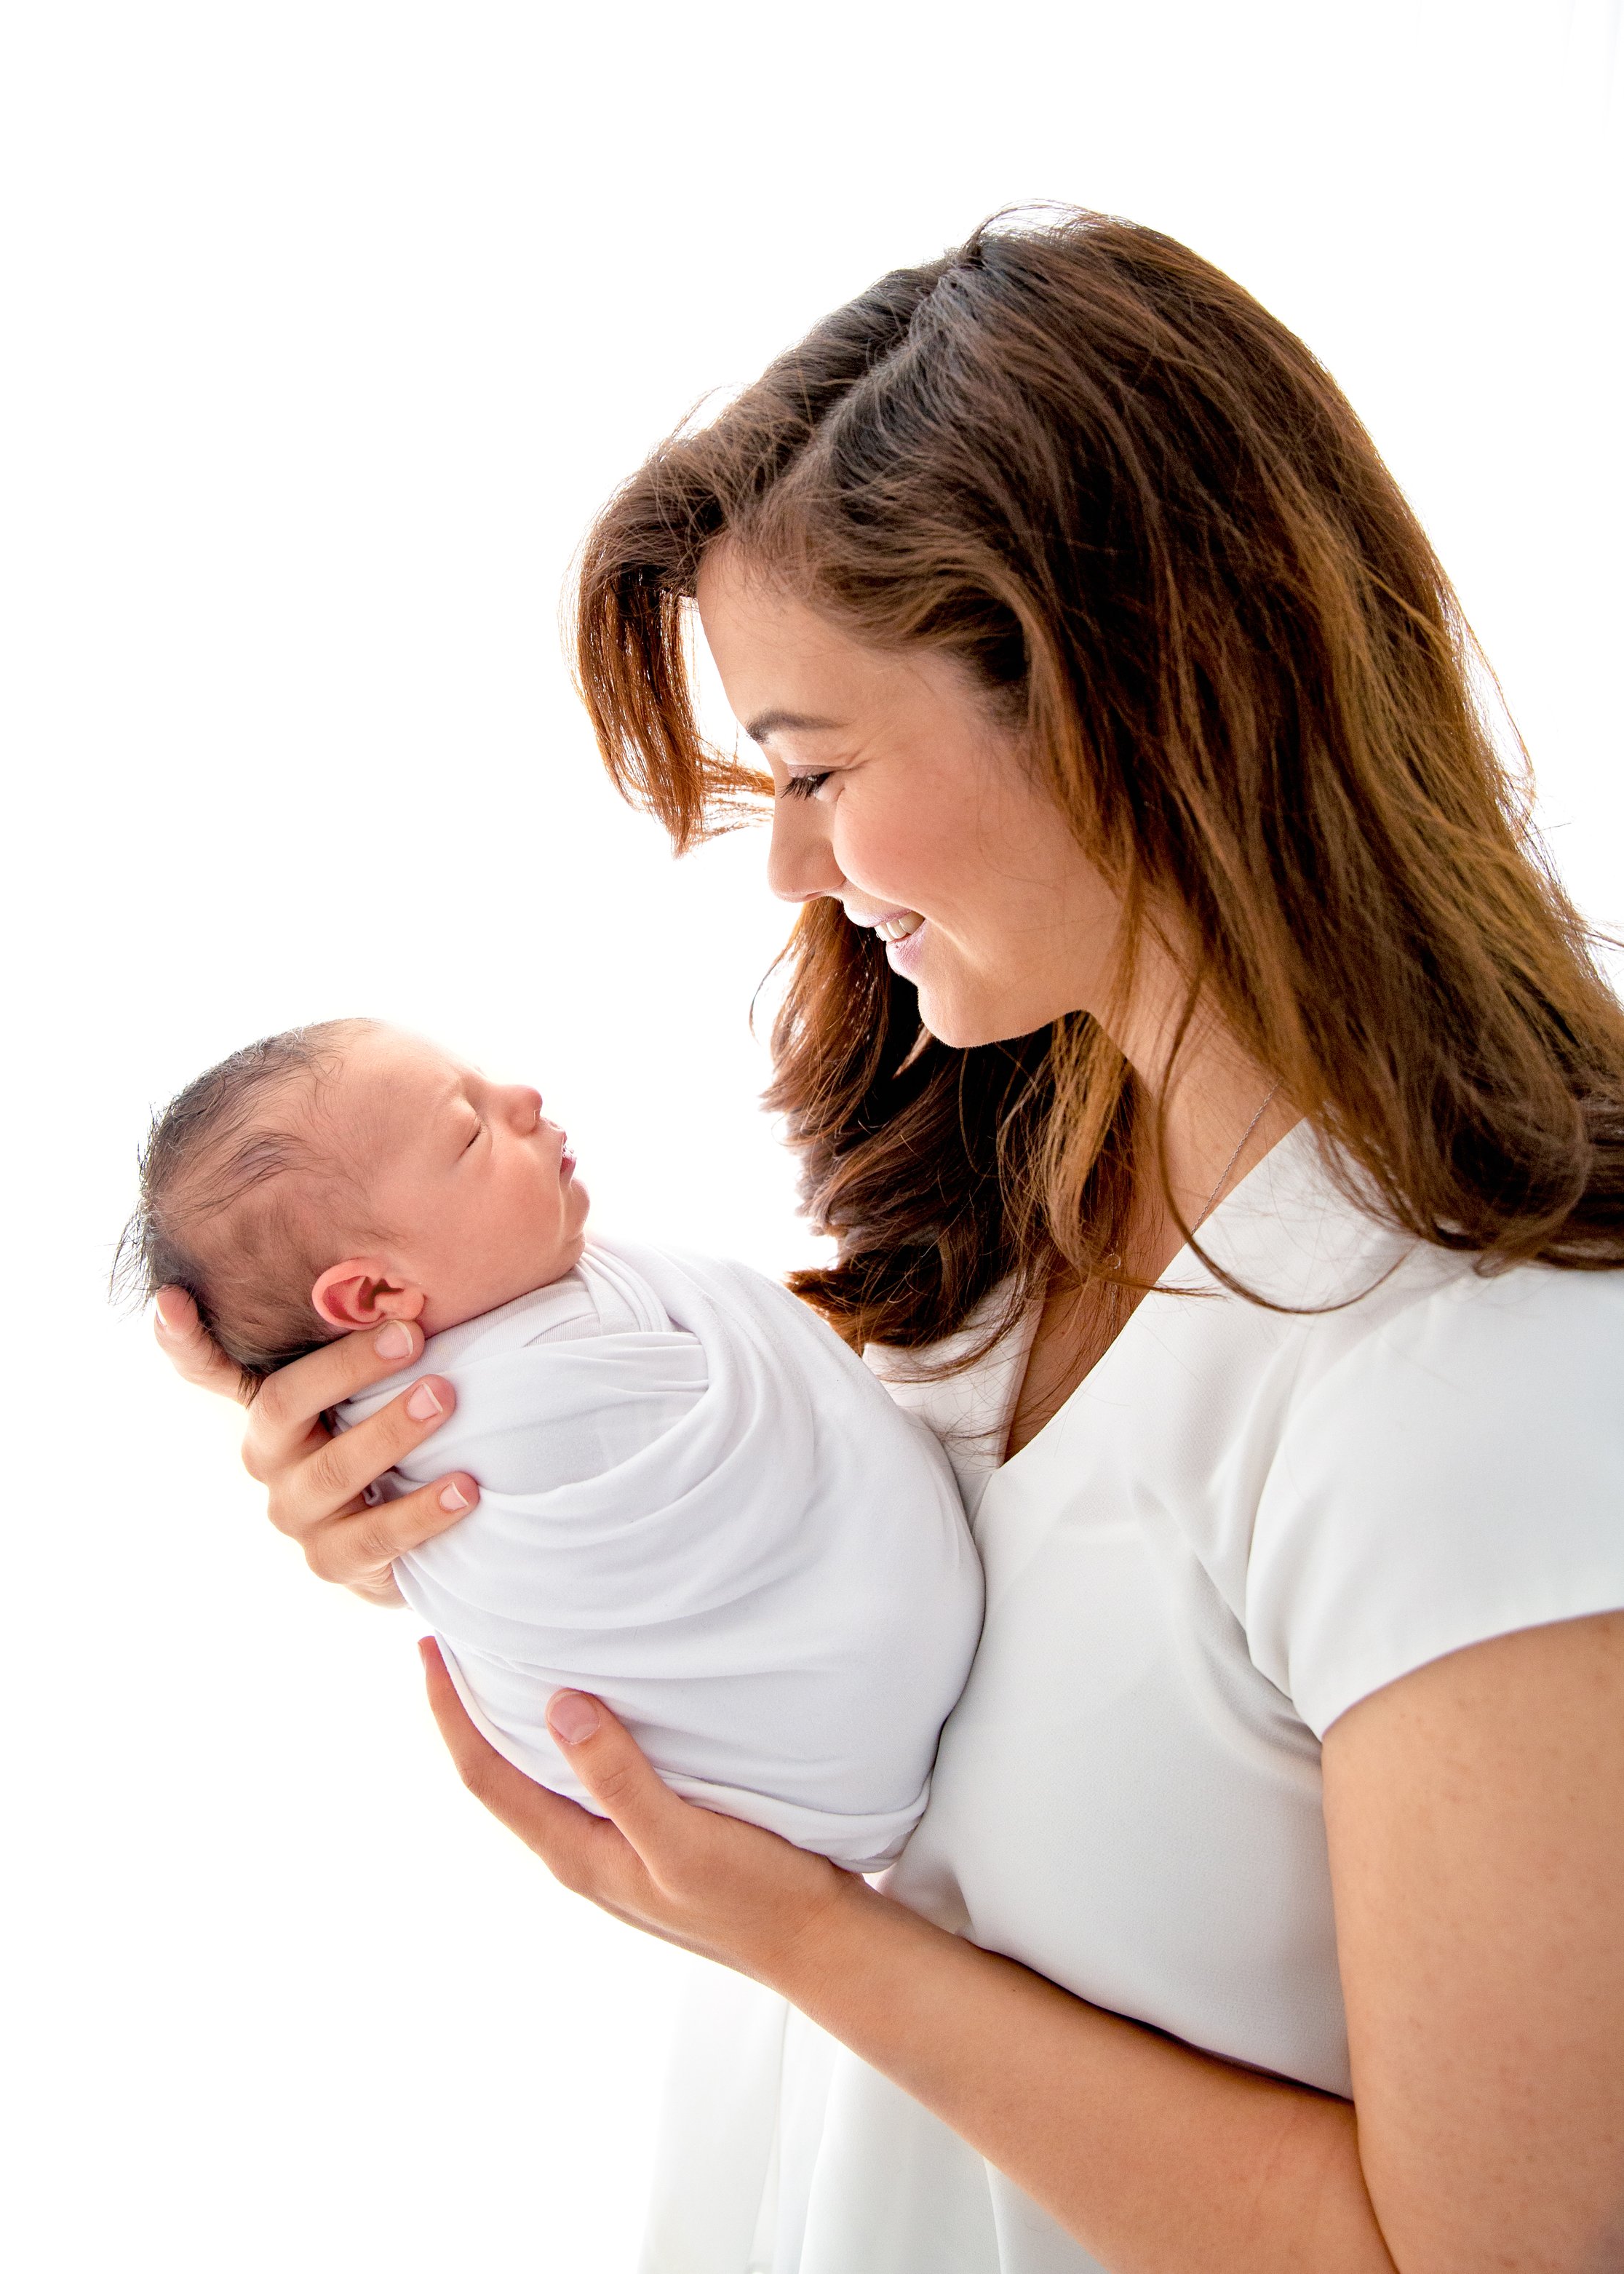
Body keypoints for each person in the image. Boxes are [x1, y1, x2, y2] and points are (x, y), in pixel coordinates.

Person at [154, 210, 1624, 2272]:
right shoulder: (1022, 1177)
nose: (790, 862)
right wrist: (463, 1499)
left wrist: (789, 1934)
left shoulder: (1471, 1373)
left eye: (816, 766)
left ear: (1130, 697)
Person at [121, 1017, 979, 1869]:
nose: (525, 1100)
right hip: (809, 1761)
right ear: (376, 1290)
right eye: (469, 1130)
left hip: (830, 1803)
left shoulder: (520, 1341)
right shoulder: (512, 1408)